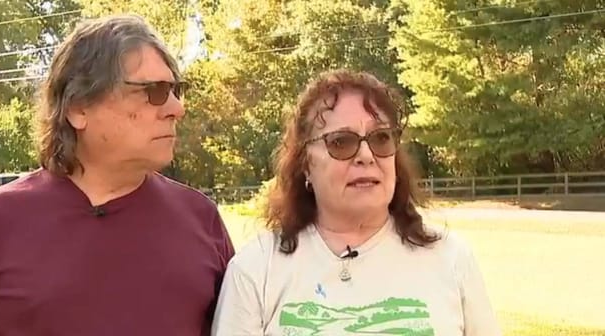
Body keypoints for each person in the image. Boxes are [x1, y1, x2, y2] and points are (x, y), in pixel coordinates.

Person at [0, 14, 234, 336]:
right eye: (153, 91)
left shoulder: (201, 218)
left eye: (175, 90)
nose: (176, 109)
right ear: (78, 108)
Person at [211, 69, 501, 336]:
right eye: (341, 142)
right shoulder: (256, 269)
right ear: (305, 165)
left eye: (381, 138)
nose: (366, 155)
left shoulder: (451, 259)